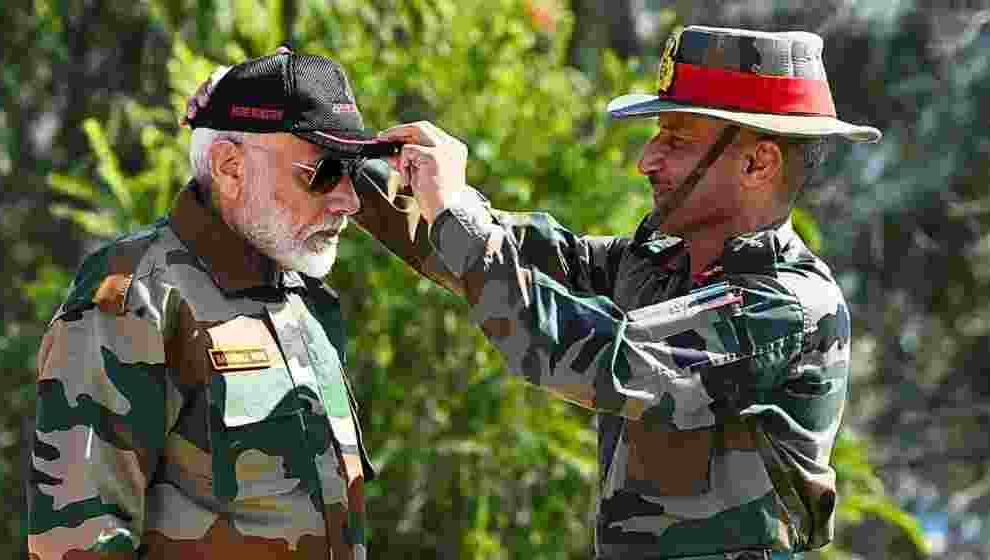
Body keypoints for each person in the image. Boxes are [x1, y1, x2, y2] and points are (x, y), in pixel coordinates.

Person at [374, 26, 881, 560]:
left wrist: (453, 212)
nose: (647, 161)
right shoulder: (663, 265)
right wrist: (359, 170)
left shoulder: (786, 307)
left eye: (677, 141)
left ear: (758, 163)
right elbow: (516, 256)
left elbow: (590, 354)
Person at [28, 48, 402, 559]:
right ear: (230, 167)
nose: (349, 201)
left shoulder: (302, 295)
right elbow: (76, 542)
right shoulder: (136, 294)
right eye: (322, 172)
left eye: (353, 171)